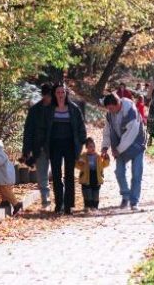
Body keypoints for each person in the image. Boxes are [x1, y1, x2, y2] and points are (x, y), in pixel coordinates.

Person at [101, 93, 146, 210]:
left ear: (118, 104)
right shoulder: (110, 115)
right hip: (120, 146)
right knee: (119, 172)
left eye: (111, 108)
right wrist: (105, 147)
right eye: (108, 108)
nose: (110, 110)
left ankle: (134, 201)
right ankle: (125, 196)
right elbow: (107, 131)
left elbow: (130, 135)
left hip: (137, 144)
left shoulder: (131, 111)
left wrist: (118, 150)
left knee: (136, 174)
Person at [47, 83, 87, 215]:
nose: (60, 95)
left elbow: (81, 127)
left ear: (66, 94)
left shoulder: (74, 109)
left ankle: (69, 205)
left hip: (70, 145)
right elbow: (43, 128)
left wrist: (82, 142)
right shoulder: (50, 109)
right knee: (56, 175)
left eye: (62, 92)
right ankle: (59, 204)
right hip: (54, 145)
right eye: (58, 92)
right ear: (54, 94)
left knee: (69, 175)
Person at [22, 83, 52, 209]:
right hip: (39, 147)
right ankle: (45, 200)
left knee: (57, 174)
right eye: (47, 95)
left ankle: (61, 201)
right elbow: (28, 131)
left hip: (55, 146)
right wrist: (26, 150)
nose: (49, 98)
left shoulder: (58, 108)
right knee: (42, 174)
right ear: (43, 95)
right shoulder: (34, 111)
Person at [0, 138, 23, 216]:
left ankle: (16, 204)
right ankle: (5, 201)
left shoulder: (0, 153)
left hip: (5, 177)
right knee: (1, 190)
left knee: (6, 191)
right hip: (1, 177)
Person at [76, 137, 110, 211]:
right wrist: (79, 163)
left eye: (93, 146)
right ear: (87, 148)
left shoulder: (98, 156)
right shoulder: (83, 156)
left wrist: (107, 159)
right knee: (87, 193)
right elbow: (78, 166)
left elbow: (104, 165)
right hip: (86, 177)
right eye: (90, 146)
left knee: (95, 193)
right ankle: (87, 207)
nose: (92, 148)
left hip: (96, 177)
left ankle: (94, 207)